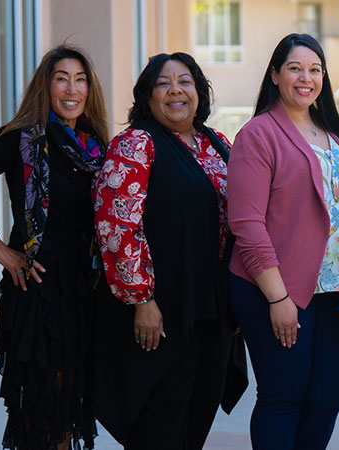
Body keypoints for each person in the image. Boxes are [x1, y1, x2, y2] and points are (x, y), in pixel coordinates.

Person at [92, 52, 246, 449]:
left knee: (198, 413)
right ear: (147, 96)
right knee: (159, 421)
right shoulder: (135, 144)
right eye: (163, 83)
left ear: (199, 91)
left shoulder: (217, 144)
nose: (176, 90)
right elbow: (117, 228)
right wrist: (142, 299)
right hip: (161, 311)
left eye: (185, 81)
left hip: (212, 307)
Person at [0, 45, 108, 449]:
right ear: (46, 85)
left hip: (81, 290)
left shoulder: (94, 146)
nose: (72, 88)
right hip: (38, 291)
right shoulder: (22, 142)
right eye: (62, 77)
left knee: (69, 407)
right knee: (44, 409)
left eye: (80, 79)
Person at [227, 33, 339, 450]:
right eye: (295, 68)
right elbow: (246, 225)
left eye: (315, 69)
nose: (306, 78)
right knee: (284, 397)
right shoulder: (258, 134)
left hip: (331, 290)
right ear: (274, 75)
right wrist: (277, 298)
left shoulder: (331, 134)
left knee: (330, 390)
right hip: (278, 289)